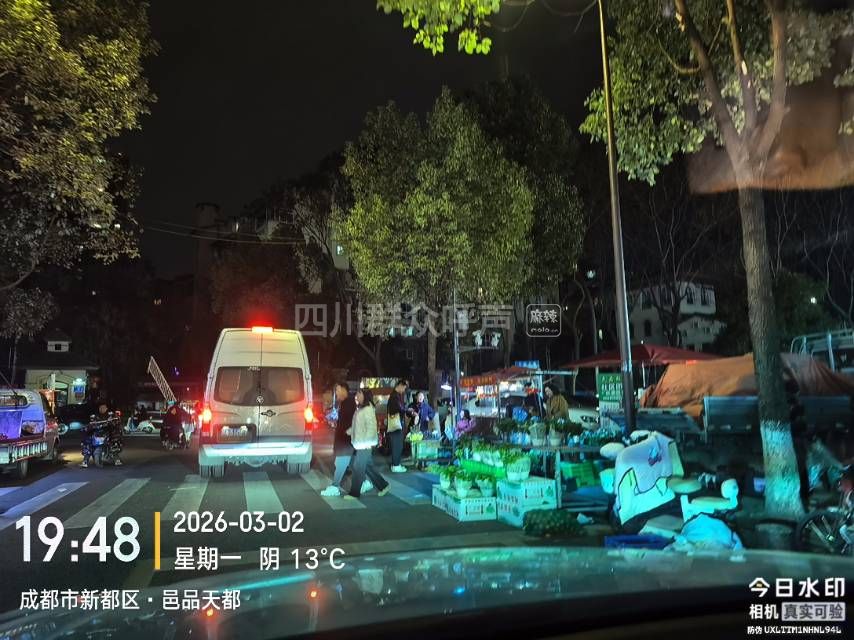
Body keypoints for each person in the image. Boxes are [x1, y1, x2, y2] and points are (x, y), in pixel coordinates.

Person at [345, 388, 390, 499]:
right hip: (360, 443)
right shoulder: (361, 408)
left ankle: (354, 493)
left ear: (365, 395)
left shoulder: (368, 409)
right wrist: (349, 431)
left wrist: (366, 442)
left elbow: (371, 428)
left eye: (359, 393)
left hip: (364, 444)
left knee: (358, 467)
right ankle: (383, 486)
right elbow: (358, 425)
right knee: (368, 467)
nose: (357, 395)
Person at [321, 382, 356, 497]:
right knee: (354, 464)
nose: (336, 393)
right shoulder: (345, 403)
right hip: (345, 441)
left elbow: (349, 423)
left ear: (344, 389)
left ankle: (335, 487)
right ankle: (367, 482)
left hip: (345, 441)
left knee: (341, 464)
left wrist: (341, 427)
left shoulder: (349, 403)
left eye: (337, 390)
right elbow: (343, 421)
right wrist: (335, 423)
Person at [386, 379, 408, 473]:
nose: (403, 390)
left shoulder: (395, 396)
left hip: (395, 425)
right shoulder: (394, 396)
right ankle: (396, 465)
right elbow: (397, 409)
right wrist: (405, 410)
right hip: (396, 425)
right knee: (397, 445)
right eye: (404, 388)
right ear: (399, 385)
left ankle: (395, 464)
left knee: (397, 445)